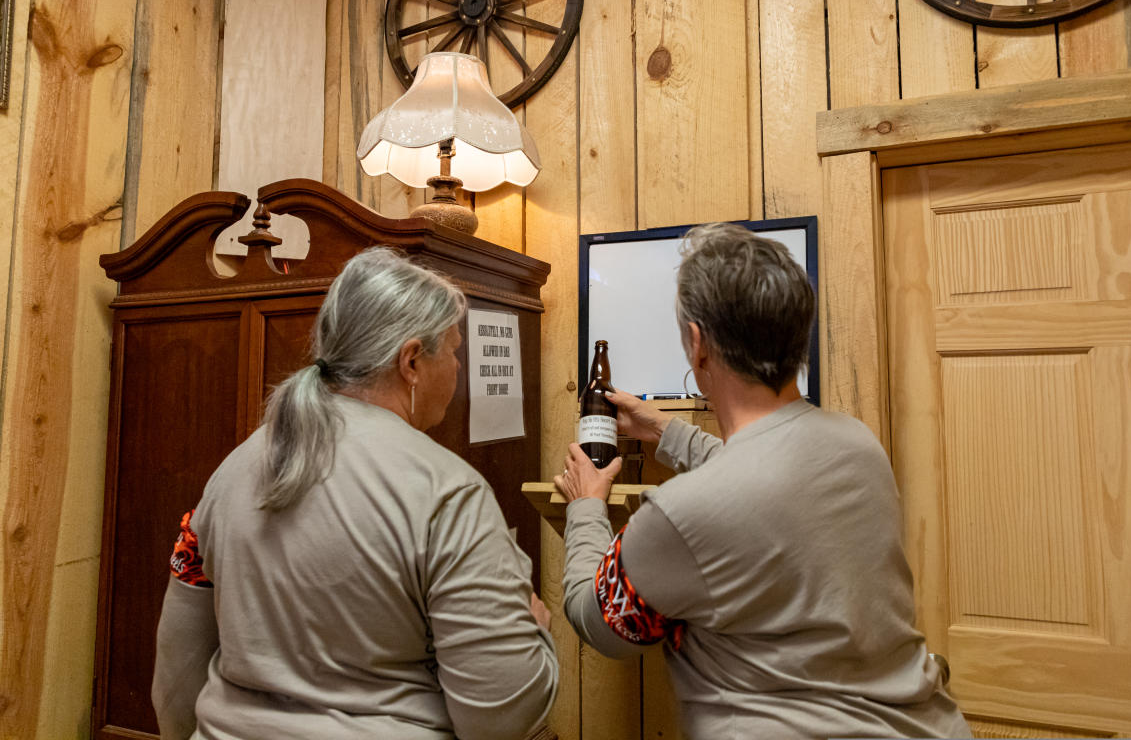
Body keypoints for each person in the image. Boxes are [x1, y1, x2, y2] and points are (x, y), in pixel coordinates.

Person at [555, 223, 970, 738]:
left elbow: (598, 623)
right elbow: (762, 476)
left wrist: (587, 506)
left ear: (697, 342)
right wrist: (664, 430)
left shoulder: (680, 514)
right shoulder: (858, 444)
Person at [152, 246, 558, 740]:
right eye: (453, 351)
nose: (457, 369)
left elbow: (176, 673)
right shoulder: (447, 490)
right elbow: (501, 714)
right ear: (411, 361)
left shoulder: (230, 472)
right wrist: (535, 629)